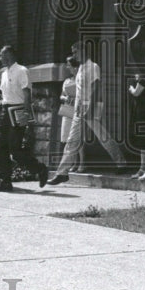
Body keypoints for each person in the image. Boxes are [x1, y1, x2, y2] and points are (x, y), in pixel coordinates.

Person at [48, 40, 126, 185]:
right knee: (72, 140)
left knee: (102, 136)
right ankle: (62, 173)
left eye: (75, 52)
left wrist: (89, 108)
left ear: (83, 51)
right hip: (79, 108)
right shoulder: (81, 68)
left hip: (91, 106)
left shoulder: (93, 66)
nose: (74, 55)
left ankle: (121, 162)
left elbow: (96, 88)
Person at [0, 44, 49, 192]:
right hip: (5, 110)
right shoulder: (3, 73)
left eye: (1, 55)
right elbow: (5, 95)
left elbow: (26, 94)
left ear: (9, 55)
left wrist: (26, 113)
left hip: (18, 110)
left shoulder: (22, 70)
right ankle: (5, 181)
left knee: (15, 149)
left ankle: (40, 169)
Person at [59, 56, 83, 171]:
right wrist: (66, 98)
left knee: (77, 138)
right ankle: (72, 164)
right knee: (68, 138)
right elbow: (61, 95)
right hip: (68, 109)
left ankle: (82, 163)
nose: (67, 67)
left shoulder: (81, 79)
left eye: (69, 65)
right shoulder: (67, 81)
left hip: (78, 109)